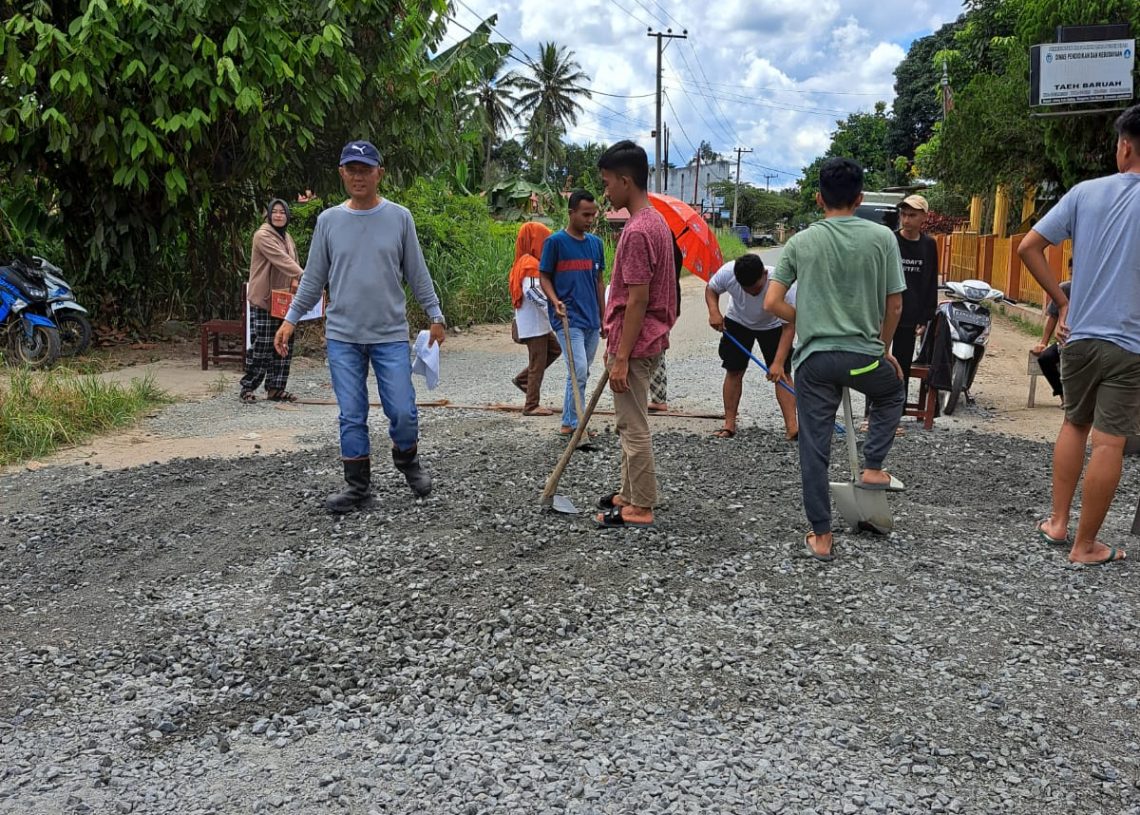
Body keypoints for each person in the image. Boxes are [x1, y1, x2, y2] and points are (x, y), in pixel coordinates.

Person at [274, 140, 446, 512]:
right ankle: (357, 486)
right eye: (351, 170)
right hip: (343, 336)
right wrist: (290, 320)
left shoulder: (399, 218)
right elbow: (313, 279)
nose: (358, 176)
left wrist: (435, 315)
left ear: (379, 173)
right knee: (351, 414)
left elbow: (417, 273)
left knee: (402, 410)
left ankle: (408, 461)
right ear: (342, 174)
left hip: (389, 334)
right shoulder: (329, 221)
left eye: (365, 170)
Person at [765, 157, 907, 561]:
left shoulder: (801, 241)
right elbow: (895, 306)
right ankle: (872, 466)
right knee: (891, 392)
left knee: (814, 446)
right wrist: (883, 348)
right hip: (864, 358)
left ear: (818, 198)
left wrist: (806, 316)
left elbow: (772, 302)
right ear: (859, 198)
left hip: (815, 361)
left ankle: (822, 536)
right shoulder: (883, 238)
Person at [1017, 103, 1140, 566]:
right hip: (1131, 344)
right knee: (1109, 442)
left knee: (1073, 423)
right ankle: (1086, 546)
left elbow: (1029, 247)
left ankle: (1058, 523)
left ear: (1124, 146)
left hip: (1081, 337)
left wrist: (1063, 301)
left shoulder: (1085, 193)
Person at [594, 140, 679, 529]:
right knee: (628, 421)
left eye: (607, 183)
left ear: (626, 181)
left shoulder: (638, 231)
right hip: (645, 339)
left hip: (636, 342)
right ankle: (629, 493)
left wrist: (622, 357)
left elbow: (637, 300)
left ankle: (641, 506)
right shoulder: (656, 222)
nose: (606, 192)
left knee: (633, 425)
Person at [704, 254, 798, 440]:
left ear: (764, 274)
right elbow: (711, 289)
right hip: (738, 321)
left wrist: (778, 363)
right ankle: (729, 424)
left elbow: (789, 327)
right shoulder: (728, 272)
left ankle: (792, 428)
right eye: (746, 289)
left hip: (773, 325)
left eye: (756, 289)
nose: (751, 294)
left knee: (783, 374)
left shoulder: (782, 284)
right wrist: (714, 312)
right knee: (734, 371)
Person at [539, 190, 606, 435]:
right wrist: (555, 300)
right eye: (585, 214)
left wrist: (604, 316)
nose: (590, 219)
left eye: (593, 215)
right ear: (571, 213)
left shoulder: (596, 244)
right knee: (578, 370)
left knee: (581, 371)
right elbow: (544, 276)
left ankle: (569, 421)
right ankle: (577, 424)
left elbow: (599, 281)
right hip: (568, 318)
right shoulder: (555, 243)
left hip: (591, 319)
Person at [240, 199, 304, 404]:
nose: (278, 215)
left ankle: (276, 388)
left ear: (287, 216)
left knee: (285, 342)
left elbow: (294, 260)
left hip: (284, 299)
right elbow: (282, 260)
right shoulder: (263, 235)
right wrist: (306, 276)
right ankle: (248, 387)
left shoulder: (287, 237)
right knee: (264, 344)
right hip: (265, 299)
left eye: (282, 212)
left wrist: (296, 280)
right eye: (274, 212)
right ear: (268, 215)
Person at [509, 222, 561, 415]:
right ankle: (531, 405)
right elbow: (531, 291)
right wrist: (552, 308)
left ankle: (524, 380)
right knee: (538, 362)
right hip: (534, 324)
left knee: (554, 350)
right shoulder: (529, 264)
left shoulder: (525, 262)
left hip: (536, 322)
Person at [893, 194, 939, 399]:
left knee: (902, 364)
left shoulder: (928, 245)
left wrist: (925, 317)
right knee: (877, 362)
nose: (906, 220)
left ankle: (898, 408)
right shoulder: (891, 240)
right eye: (903, 214)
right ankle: (872, 410)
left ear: (924, 217)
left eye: (912, 215)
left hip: (910, 315)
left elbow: (930, 282)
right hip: (885, 312)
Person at [1032, 273, 1071, 404]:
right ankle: (1062, 394)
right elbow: (1053, 317)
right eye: (1072, 274)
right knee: (1045, 358)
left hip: (1087, 341)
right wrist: (1043, 343)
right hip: (1065, 340)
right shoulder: (1064, 289)